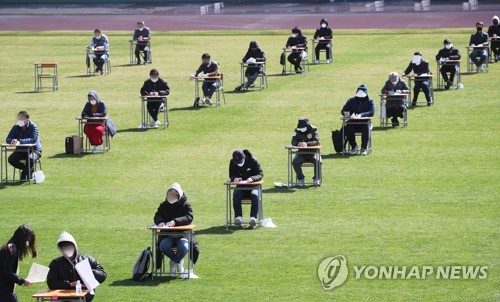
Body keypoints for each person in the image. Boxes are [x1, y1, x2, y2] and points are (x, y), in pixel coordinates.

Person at [47, 231, 107, 302]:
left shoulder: (87, 259)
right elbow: (51, 283)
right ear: (61, 249)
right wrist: (70, 285)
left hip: (84, 297)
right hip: (62, 298)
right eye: (64, 247)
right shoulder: (55, 263)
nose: (67, 248)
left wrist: (88, 273)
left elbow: (103, 274)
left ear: (74, 246)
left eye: (69, 245)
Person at [154, 183, 195, 277]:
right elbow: (157, 215)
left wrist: (175, 222)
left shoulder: (185, 205)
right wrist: (160, 221)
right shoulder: (164, 205)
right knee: (163, 246)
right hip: (168, 234)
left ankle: (174, 263)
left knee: (184, 247)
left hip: (183, 234)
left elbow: (189, 217)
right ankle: (178, 261)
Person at [0, 225, 37, 302]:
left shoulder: (9, 247)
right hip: (4, 292)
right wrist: (23, 280)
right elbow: (7, 272)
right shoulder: (12, 249)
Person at [229, 150, 264, 227]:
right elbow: (231, 174)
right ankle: (238, 218)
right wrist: (234, 179)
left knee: (255, 195)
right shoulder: (232, 162)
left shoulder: (253, 161)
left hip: (253, 186)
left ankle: (253, 218)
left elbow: (260, 174)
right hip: (241, 187)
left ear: (244, 157)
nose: (239, 164)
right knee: (236, 194)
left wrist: (252, 178)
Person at [6, 111, 42, 181]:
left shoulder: (33, 127)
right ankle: (29, 170)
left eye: (22, 118)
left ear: (27, 119)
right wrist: (12, 141)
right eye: (19, 118)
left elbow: (33, 139)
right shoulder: (15, 127)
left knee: (30, 158)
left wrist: (20, 141)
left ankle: (24, 173)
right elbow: (8, 138)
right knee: (11, 159)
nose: (20, 120)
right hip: (21, 150)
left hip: (35, 150)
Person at [341, 85, 375, 156]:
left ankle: (363, 148)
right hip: (353, 123)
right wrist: (345, 113)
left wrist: (362, 115)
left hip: (365, 123)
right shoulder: (351, 101)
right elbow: (343, 110)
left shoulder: (370, 101)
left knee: (366, 129)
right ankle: (354, 147)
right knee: (348, 127)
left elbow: (372, 112)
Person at [291, 118, 321, 186]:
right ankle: (300, 178)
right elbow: (293, 141)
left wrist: (307, 144)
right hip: (301, 153)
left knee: (318, 161)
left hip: (313, 152)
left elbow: (316, 141)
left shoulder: (314, 129)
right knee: (295, 161)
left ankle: (316, 179)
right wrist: (298, 144)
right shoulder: (297, 130)